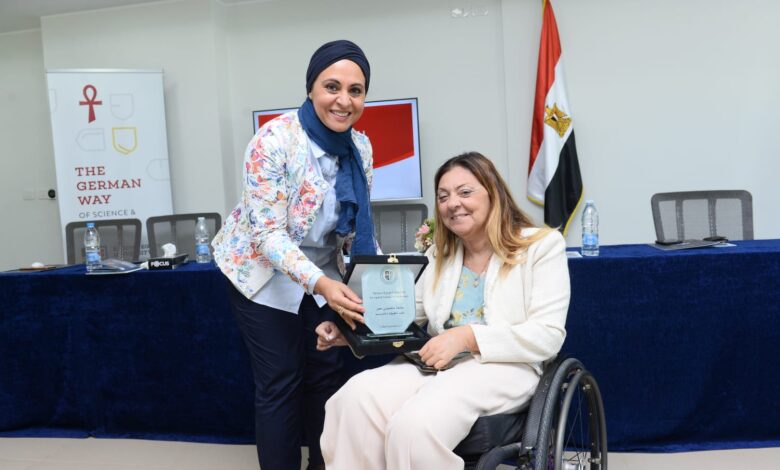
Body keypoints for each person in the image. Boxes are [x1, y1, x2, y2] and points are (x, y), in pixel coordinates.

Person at [316, 151, 570, 470]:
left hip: (505, 366)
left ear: (493, 193)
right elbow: (406, 314)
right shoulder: (440, 254)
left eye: (465, 192)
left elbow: (548, 336)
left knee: (414, 427)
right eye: (443, 196)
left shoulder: (541, 247)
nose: (452, 203)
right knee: (353, 399)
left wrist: (467, 337)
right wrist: (352, 332)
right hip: (436, 363)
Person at [211, 40, 377, 470]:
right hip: (260, 273)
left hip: (321, 272)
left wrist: (380, 275)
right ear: (310, 88)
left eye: (355, 90)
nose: (344, 100)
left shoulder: (360, 148)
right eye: (332, 87)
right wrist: (322, 284)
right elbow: (267, 234)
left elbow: (355, 229)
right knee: (280, 381)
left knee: (326, 375)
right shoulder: (273, 141)